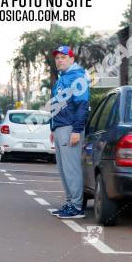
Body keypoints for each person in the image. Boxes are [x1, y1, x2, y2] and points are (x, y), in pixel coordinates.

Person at [49, 46, 90, 219]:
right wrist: (52, 127)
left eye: (63, 57)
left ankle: (76, 207)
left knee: (71, 168)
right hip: (60, 127)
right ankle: (70, 203)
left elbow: (82, 105)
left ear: (71, 60)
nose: (59, 60)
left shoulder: (77, 77)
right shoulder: (62, 78)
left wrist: (77, 130)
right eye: (57, 58)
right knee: (63, 168)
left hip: (70, 127)